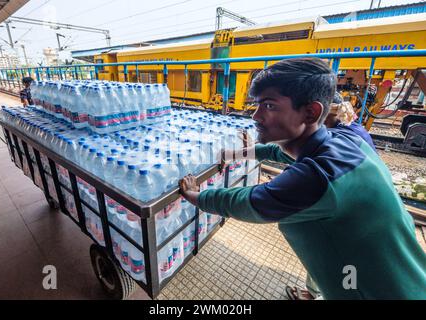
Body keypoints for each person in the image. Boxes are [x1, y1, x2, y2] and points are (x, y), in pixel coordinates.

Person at [179, 58, 426, 299]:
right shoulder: (349, 140)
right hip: (410, 274)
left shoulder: (317, 178)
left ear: (310, 112)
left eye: (269, 106)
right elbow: (280, 151)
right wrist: (237, 154)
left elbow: (249, 202)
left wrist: (196, 196)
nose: (255, 116)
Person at [286, 92, 377, 300]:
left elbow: (325, 171)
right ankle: (316, 291)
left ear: (322, 115)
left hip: (353, 215)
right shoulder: (349, 129)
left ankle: (315, 294)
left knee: (337, 259)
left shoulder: (344, 138)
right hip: (355, 209)